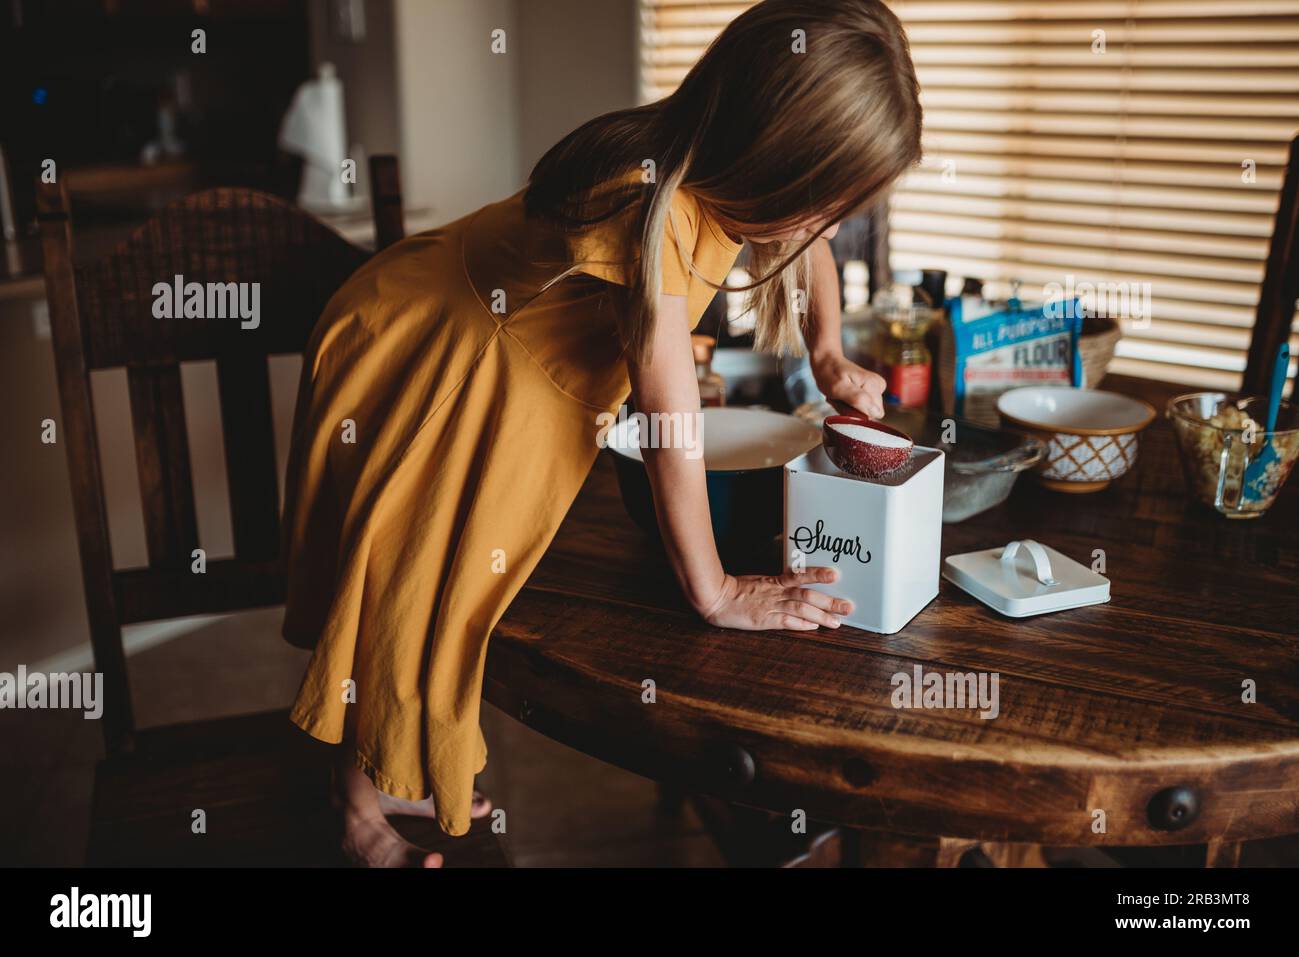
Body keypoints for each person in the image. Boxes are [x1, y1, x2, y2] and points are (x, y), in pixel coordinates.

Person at [280, 0, 922, 866]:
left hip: (520, 363)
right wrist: (718, 592)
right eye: (820, 202)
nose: (827, 228)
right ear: (773, 160)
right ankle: (358, 798)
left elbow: (808, 245)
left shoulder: (736, 172)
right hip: (444, 346)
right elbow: (668, 417)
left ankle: (397, 761)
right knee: (419, 571)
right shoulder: (649, 208)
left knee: (455, 582)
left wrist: (831, 355)